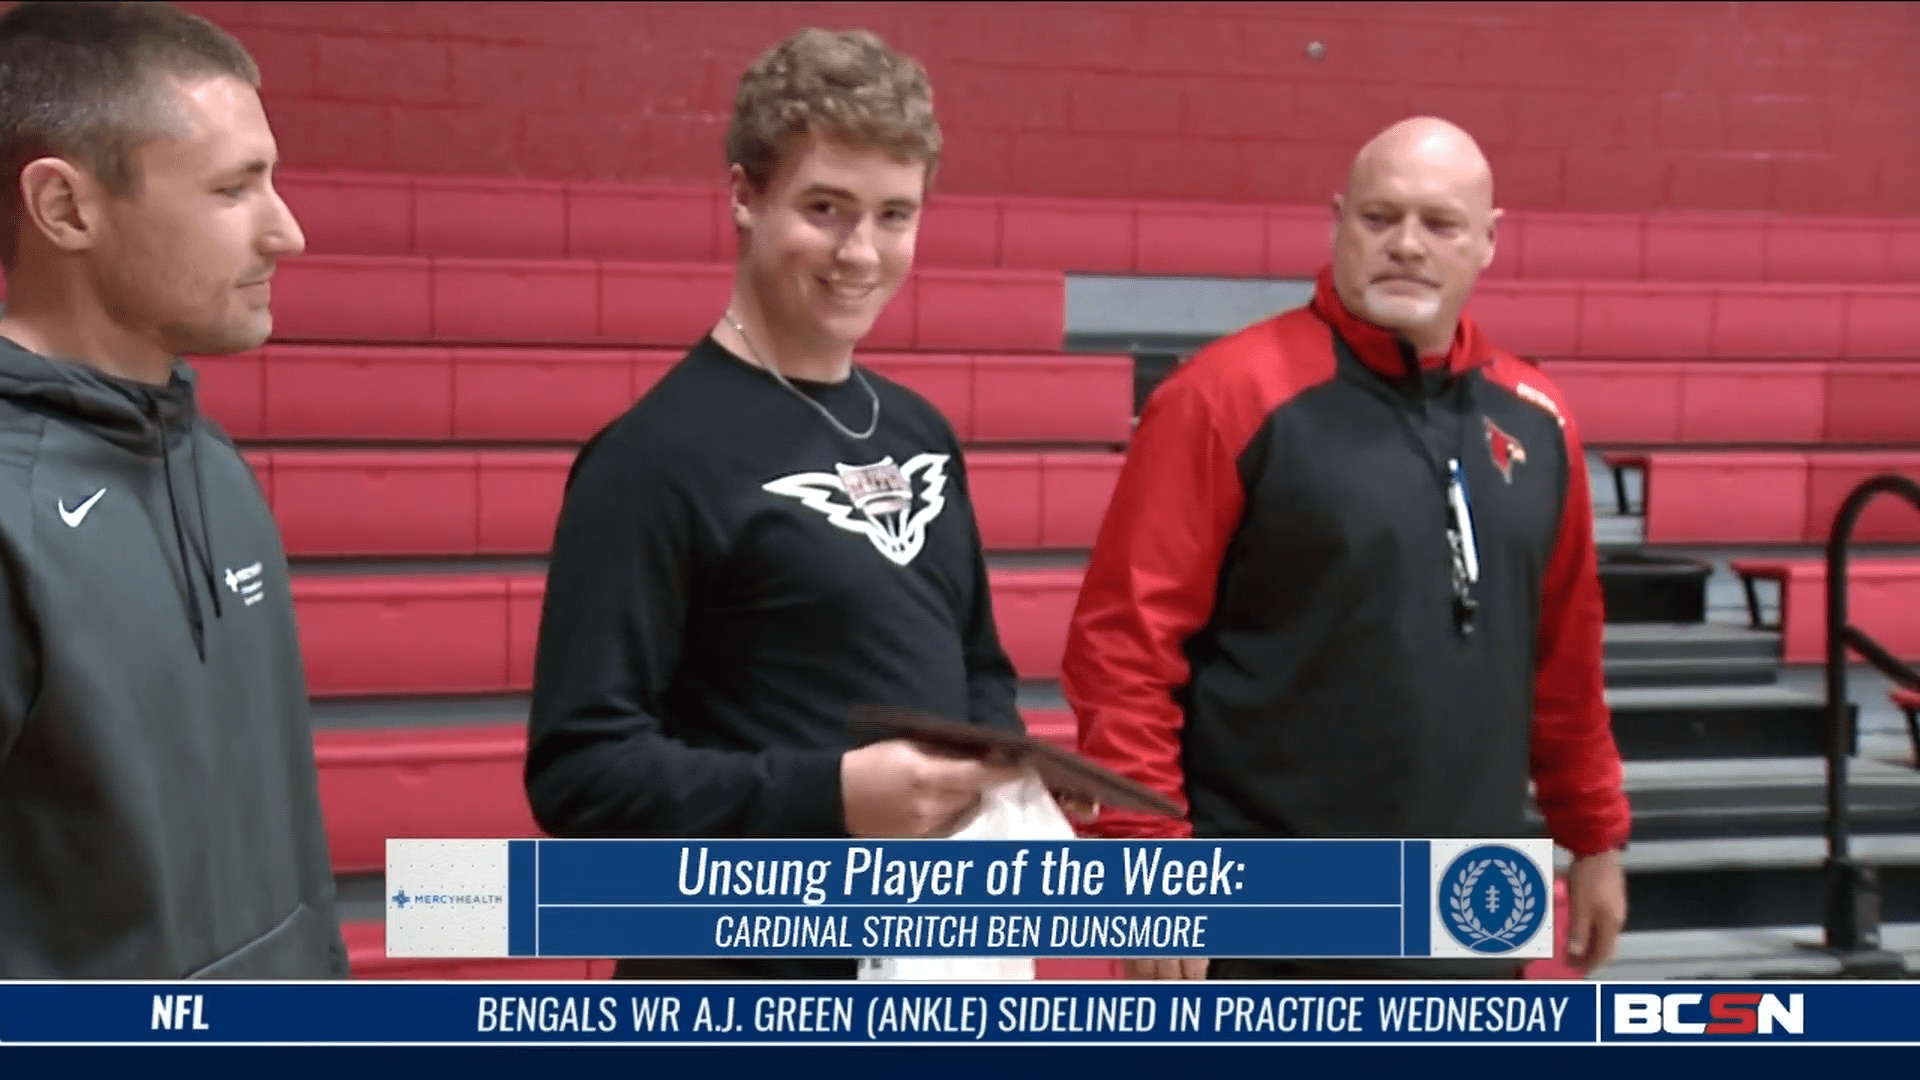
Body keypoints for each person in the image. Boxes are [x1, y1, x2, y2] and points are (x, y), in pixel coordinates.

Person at [1061, 117, 1631, 981]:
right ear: (1337, 221)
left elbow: (1564, 663)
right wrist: (1148, 858)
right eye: (1378, 217)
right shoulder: (1224, 398)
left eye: (1438, 224)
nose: (1406, 245)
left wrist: (1593, 837)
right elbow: (1125, 646)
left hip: (1469, 907)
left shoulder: (1537, 420)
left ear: (1488, 240)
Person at [525, 28, 1033, 981]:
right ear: (743, 197)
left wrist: (996, 778)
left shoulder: (920, 432)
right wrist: (833, 794)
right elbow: (579, 774)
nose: (861, 252)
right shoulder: (649, 460)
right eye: (826, 208)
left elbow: (978, 667)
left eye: (895, 213)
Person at [0, 1, 347, 978]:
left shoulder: (214, 465)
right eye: (234, 189)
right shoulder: (10, 512)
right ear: (66, 208)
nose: (288, 232)